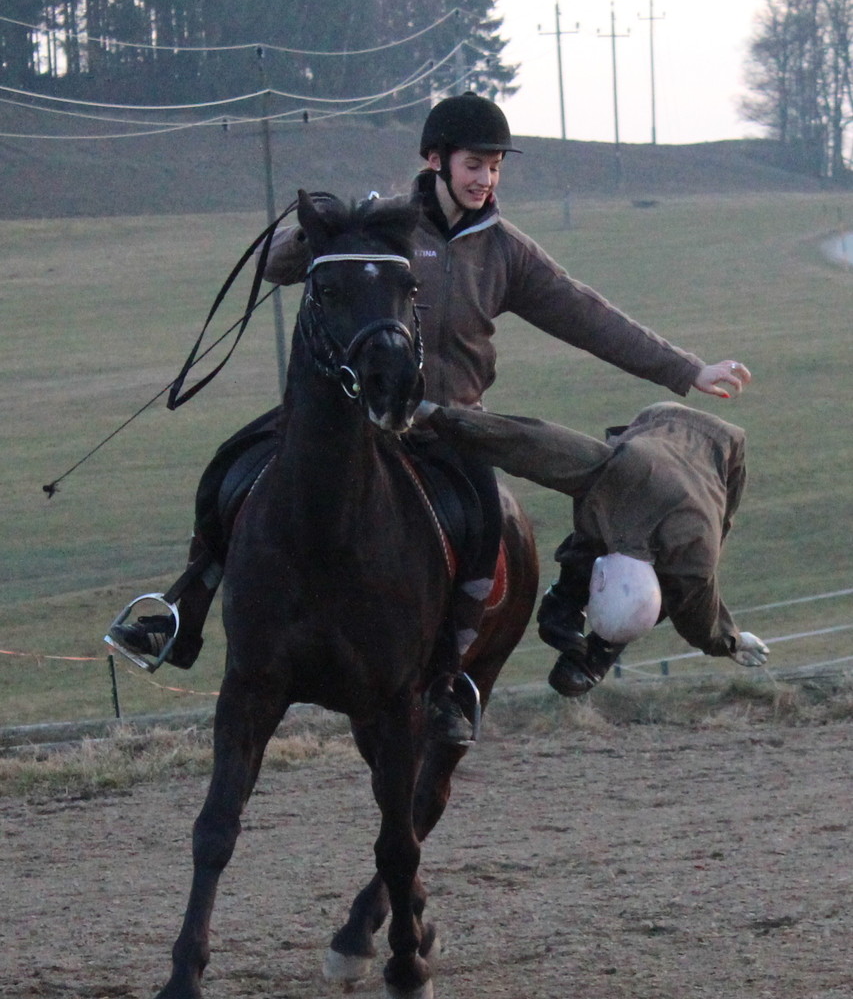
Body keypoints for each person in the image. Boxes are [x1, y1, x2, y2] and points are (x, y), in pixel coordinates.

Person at [107, 93, 753, 739]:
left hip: (449, 428)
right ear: (435, 160)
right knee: (230, 470)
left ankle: (449, 679)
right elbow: (278, 266)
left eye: (495, 168)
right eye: (475, 164)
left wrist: (685, 370)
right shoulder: (384, 224)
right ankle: (181, 612)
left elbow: (587, 315)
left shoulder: (505, 251)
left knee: (484, 527)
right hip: (352, 423)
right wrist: (315, 228)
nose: (485, 179)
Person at [410, 399, 769, 693]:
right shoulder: (619, 473)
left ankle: (592, 648)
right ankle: (567, 611)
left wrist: (730, 640)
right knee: (604, 532)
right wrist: (438, 417)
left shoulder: (693, 549)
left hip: (721, 455)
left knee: (661, 583)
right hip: (657, 424)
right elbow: (529, 444)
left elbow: (698, 605)